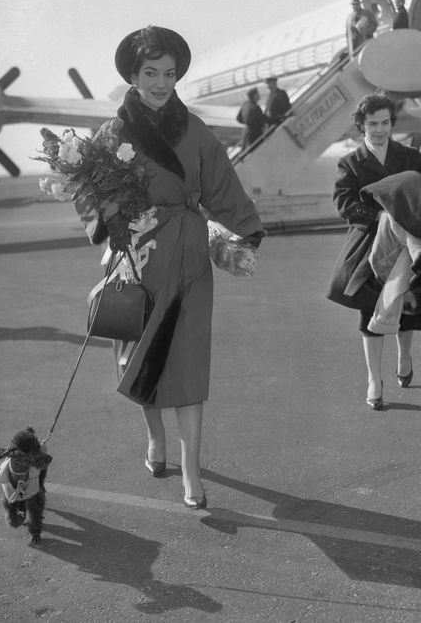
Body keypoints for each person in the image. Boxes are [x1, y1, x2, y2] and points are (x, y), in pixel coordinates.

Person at [76, 26, 264, 509]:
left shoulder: (195, 129)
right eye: (151, 73)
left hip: (187, 255)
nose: (162, 82)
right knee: (138, 355)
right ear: (133, 77)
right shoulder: (112, 133)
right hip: (134, 256)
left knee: (188, 362)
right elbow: (88, 196)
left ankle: (193, 473)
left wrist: (245, 230)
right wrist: (108, 216)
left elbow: (222, 182)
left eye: (170, 73)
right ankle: (155, 439)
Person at [326, 91, 421, 410]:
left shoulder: (411, 157)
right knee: (369, 309)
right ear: (361, 125)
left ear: (392, 123)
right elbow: (343, 201)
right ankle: (374, 379)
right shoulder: (350, 162)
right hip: (369, 244)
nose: (379, 129)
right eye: (372, 123)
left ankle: (404, 357)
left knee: (410, 306)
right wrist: (379, 217)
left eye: (385, 122)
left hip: (408, 243)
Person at [236, 87, 268, 152]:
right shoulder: (255, 107)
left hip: (247, 133)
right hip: (255, 134)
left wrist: (247, 122)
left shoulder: (245, 104)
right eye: (257, 94)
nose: (259, 95)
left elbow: (238, 118)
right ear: (254, 96)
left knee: (246, 151)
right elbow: (263, 119)